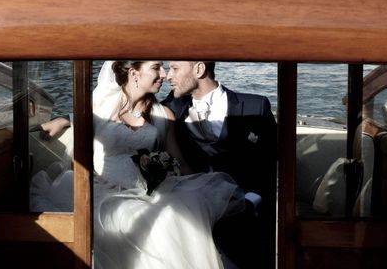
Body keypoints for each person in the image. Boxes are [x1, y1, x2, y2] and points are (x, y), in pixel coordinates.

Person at [32, 60, 247, 269]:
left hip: (144, 192)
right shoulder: (102, 105)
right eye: (156, 68)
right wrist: (63, 119)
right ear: (134, 73)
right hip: (100, 190)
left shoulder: (163, 115)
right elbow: (82, 135)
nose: (164, 74)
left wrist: (201, 186)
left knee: (173, 215)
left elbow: (178, 161)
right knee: (141, 218)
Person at [164, 61, 277, 269]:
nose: (167, 76)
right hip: (195, 216)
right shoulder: (170, 109)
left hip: (248, 213)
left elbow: (272, 160)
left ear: (199, 70)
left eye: (175, 68)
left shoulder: (256, 106)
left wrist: (252, 199)